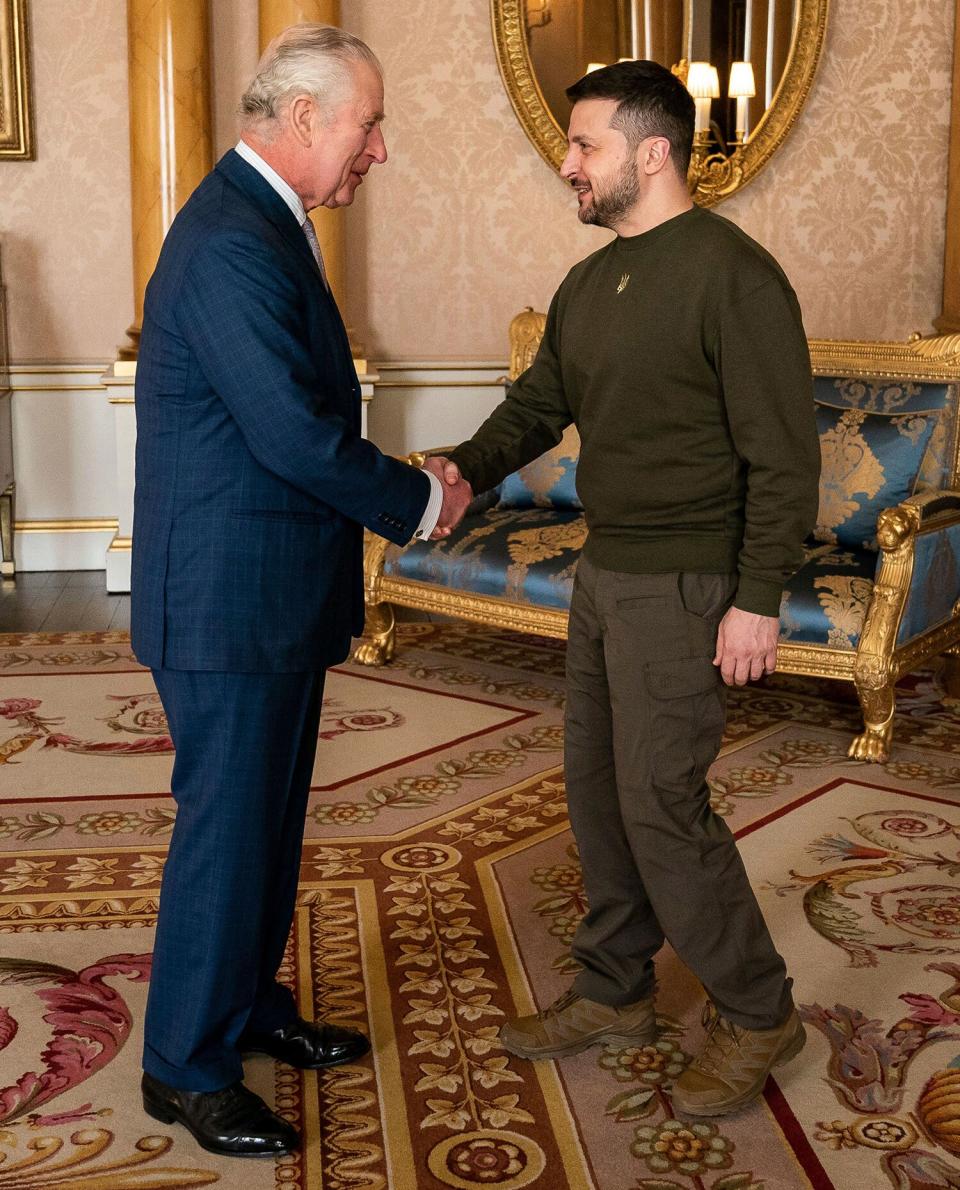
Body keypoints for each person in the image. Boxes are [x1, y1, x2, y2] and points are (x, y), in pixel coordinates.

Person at [434, 60, 820, 1118]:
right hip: (607, 573)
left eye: (585, 145)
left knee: (661, 801)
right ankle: (616, 988)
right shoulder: (591, 280)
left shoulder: (733, 275)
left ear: (653, 154)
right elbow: (537, 403)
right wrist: (462, 469)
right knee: (601, 794)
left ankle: (758, 1008)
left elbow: (784, 459)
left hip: (690, 581)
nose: (568, 164)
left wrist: (755, 598)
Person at [131, 24, 470, 1158]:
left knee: (268, 826)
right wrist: (415, 501)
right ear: (306, 117)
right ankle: (185, 1064)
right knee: (228, 831)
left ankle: (245, 1003)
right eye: (369, 123)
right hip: (228, 601)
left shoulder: (265, 220)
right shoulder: (232, 236)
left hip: (264, 589)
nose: (379, 147)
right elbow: (289, 429)